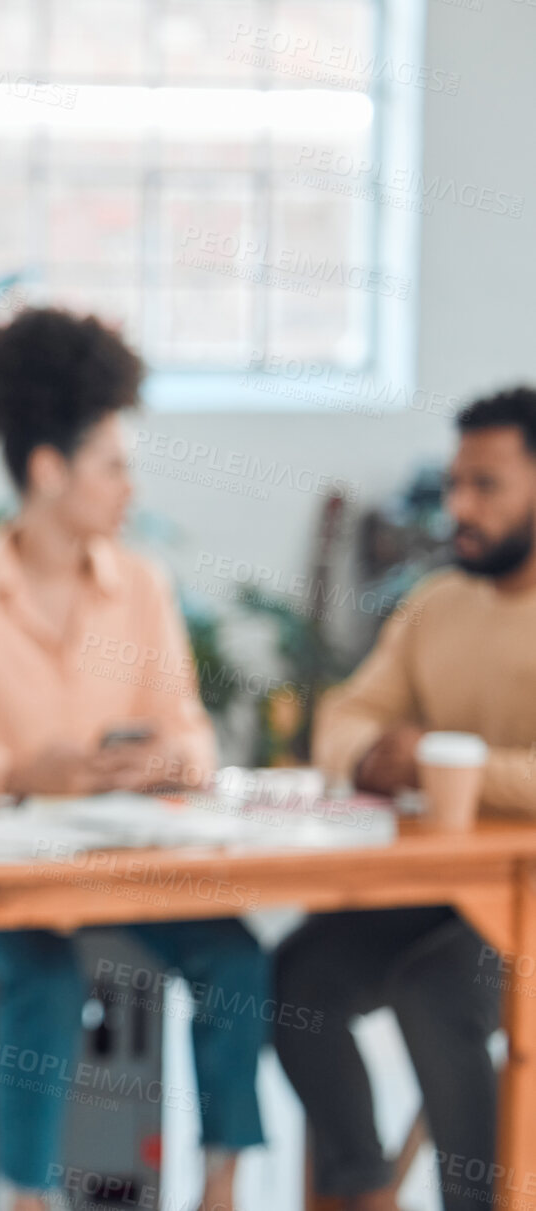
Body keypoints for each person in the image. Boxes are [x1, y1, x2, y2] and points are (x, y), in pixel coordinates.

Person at [0, 307, 270, 1211]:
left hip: (121, 862)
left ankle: (222, 1188)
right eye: (113, 465)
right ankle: (29, 1194)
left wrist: (158, 762)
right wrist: (22, 771)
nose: (130, 487)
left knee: (237, 958)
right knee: (45, 972)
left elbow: (194, 736)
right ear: (49, 471)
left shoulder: (143, 585)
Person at [274, 385, 536, 1211]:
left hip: (522, 902)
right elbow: (347, 717)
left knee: (437, 992)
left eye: (485, 485)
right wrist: (370, 759)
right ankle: (362, 1191)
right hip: (447, 885)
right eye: (454, 482)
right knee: (296, 975)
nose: (458, 505)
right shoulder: (436, 605)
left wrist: (442, 765)